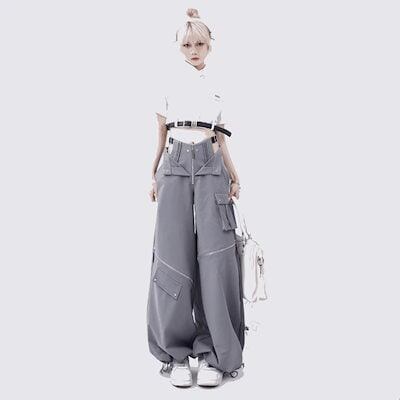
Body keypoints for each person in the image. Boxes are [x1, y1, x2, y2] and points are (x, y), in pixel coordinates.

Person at [146, 8, 245, 388]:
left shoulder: (220, 84)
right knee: (171, 259)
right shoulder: (166, 82)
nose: (193, 50)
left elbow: (221, 138)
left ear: (210, 45)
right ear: (178, 47)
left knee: (216, 259)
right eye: (187, 44)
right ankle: (173, 354)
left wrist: (234, 176)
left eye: (200, 44)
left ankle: (215, 354)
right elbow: (159, 134)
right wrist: (152, 174)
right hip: (173, 165)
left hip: (210, 164)